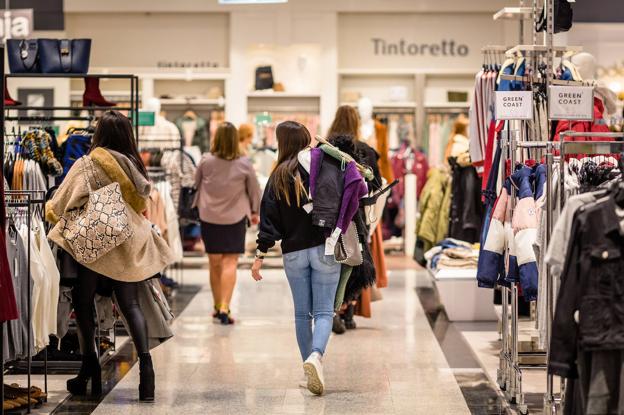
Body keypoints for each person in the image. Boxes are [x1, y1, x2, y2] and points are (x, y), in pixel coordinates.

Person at [46, 111, 175, 401]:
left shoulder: (88, 163)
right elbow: (142, 202)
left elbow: (65, 200)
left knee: (83, 302)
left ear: (100, 134)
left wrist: (50, 209)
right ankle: (147, 373)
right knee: (130, 306)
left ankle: (88, 367)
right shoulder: (134, 164)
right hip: (128, 243)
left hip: (93, 243)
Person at [252, 121, 341, 396]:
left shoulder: (278, 175)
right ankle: (316, 356)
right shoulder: (323, 166)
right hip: (325, 247)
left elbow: (268, 220)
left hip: (293, 252)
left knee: (303, 313)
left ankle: (308, 367)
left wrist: (260, 255)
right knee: (325, 311)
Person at [195, 122, 261, 325]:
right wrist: (255, 212)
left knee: (214, 263)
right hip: (235, 219)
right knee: (230, 262)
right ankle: (225, 306)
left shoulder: (205, 161)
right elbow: (255, 191)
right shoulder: (244, 163)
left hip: (209, 218)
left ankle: (216, 306)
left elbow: (195, 185)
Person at [326, 105, 384, 333]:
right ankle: (348, 311)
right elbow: (375, 184)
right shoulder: (366, 150)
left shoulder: (325, 149)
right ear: (356, 123)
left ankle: (331, 309)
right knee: (355, 260)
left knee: (333, 260)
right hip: (356, 214)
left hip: (329, 214)